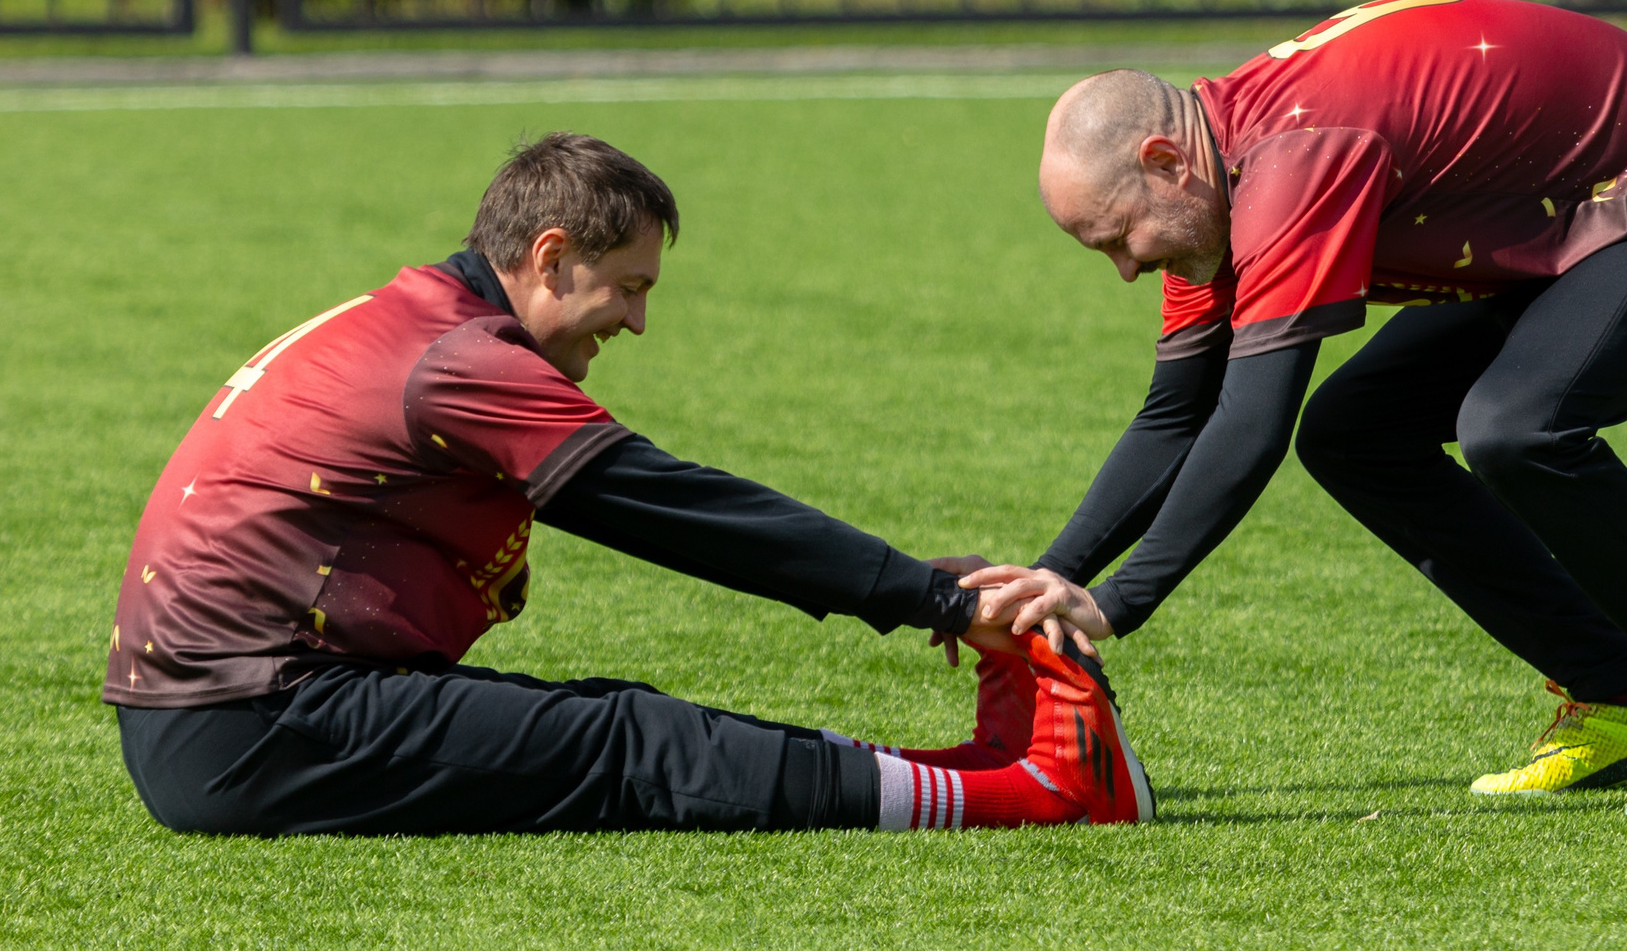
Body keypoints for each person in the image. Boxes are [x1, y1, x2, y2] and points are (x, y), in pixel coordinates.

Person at [105, 131, 1151, 836]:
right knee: (630, 740)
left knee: (608, 719)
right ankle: (1025, 793)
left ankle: (966, 773)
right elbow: (674, 509)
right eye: (628, 286)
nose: (637, 321)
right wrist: (938, 601)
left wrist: (913, 589)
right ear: (551, 257)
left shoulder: (417, 319)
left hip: (223, 712)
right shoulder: (457, 359)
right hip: (251, 722)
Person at [968, 0, 1627, 816]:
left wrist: (1117, 604)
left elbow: (1251, 422)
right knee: (1355, 435)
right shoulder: (1212, 188)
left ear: (1164, 162)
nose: (1125, 268)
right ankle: (1620, 693)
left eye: (1119, 237)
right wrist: (1054, 577)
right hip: (1572, 226)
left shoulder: (1292, 159)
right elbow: (1175, 417)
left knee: (1518, 430)